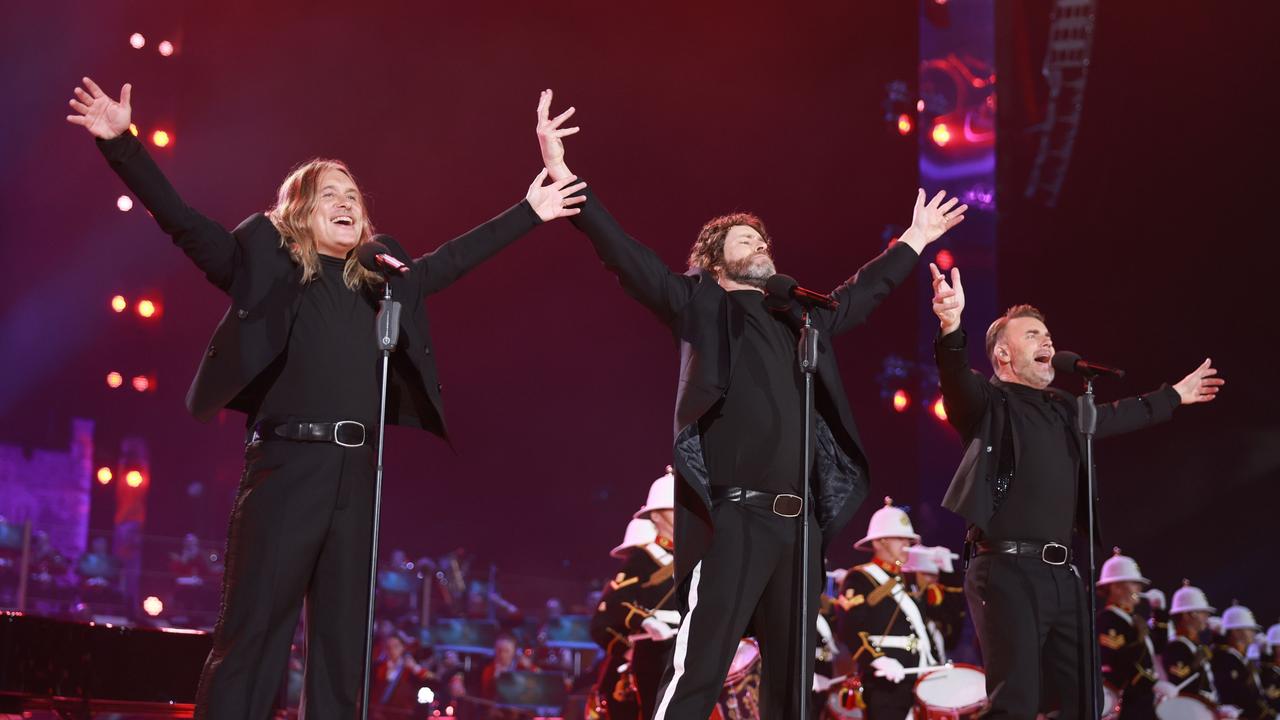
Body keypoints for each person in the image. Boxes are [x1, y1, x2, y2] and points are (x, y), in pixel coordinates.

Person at [66, 76, 586, 719]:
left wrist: (530, 210)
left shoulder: (384, 278)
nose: (345, 201)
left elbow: (448, 263)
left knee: (344, 649)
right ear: (298, 215)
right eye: (328, 194)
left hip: (358, 474)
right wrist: (124, 146)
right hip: (287, 468)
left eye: (352, 195)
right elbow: (184, 224)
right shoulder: (266, 263)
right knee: (255, 636)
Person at [536, 88, 967, 719]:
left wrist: (914, 238)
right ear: (713, 261)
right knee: (703, 664)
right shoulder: (700, 304)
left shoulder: (800, 318)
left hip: (801, 527)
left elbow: (859, 295)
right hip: (736, 519)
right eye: (745, 239)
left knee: (792, 683)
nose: (760, 244)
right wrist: (567, 179)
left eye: (763, 239)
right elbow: (627, 259)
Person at [928, 265, 1225, 719]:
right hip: (1006, 569)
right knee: (1016, 703)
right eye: (1032, 336)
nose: (1047, 341)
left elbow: (1116, 415)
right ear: (1004, 355)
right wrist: (951, 327)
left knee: (1085, 700)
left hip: (1063, 573)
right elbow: (956, 381)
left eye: (1047, 334)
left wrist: (1174, 396)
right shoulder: (989, 404)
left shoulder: (1066, 409)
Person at [835, 498, 938, 719]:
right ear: (880, 541)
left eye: (909, 539)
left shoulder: (910, 579)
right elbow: (849, 628)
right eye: (900, 537)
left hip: (918, 674)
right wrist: (877, 658)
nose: (907, 544)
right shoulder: (860, 578)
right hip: (884, 681)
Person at [589, 468, 679, 719]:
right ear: (658, 515)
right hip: (653, 650)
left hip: (688, 643)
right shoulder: (643, 558)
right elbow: (617, 603)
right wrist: (647, 622)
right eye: (674, 508)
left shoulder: (694, 555)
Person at [1094, 549, 1175, 719]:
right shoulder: (1108, 620)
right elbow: (1117, 660)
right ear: (1115, 587)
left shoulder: (1135, 620)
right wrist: (1153, 683)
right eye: (1134, 583)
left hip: (1142, 700)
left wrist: (1159, 612)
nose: (1139, 588)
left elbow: (1158, 647)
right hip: (1126, 704)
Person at [1164, 581, 1221, 704]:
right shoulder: (1176, 646)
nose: (1207, 617)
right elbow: (1180, 683)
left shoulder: (1195, 645)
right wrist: (1194, 664)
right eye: (1201, 612)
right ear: (1186, 615)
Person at [1211, 604, 1265, 719]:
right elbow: (1231, 694)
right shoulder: (1225, 659)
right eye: (1250, 629)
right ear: (1236, 632)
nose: (1253, 634)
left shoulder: (1240, 660)